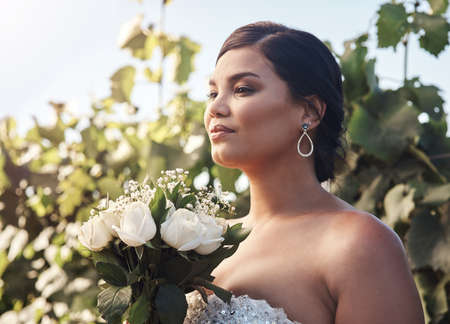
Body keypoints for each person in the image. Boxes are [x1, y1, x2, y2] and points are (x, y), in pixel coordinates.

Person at [192, 21, 425, 324]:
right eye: (212, 93)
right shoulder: (200, 243)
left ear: (310, 112)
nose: (215, 108)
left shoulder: (359, 244)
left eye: (242, 89)